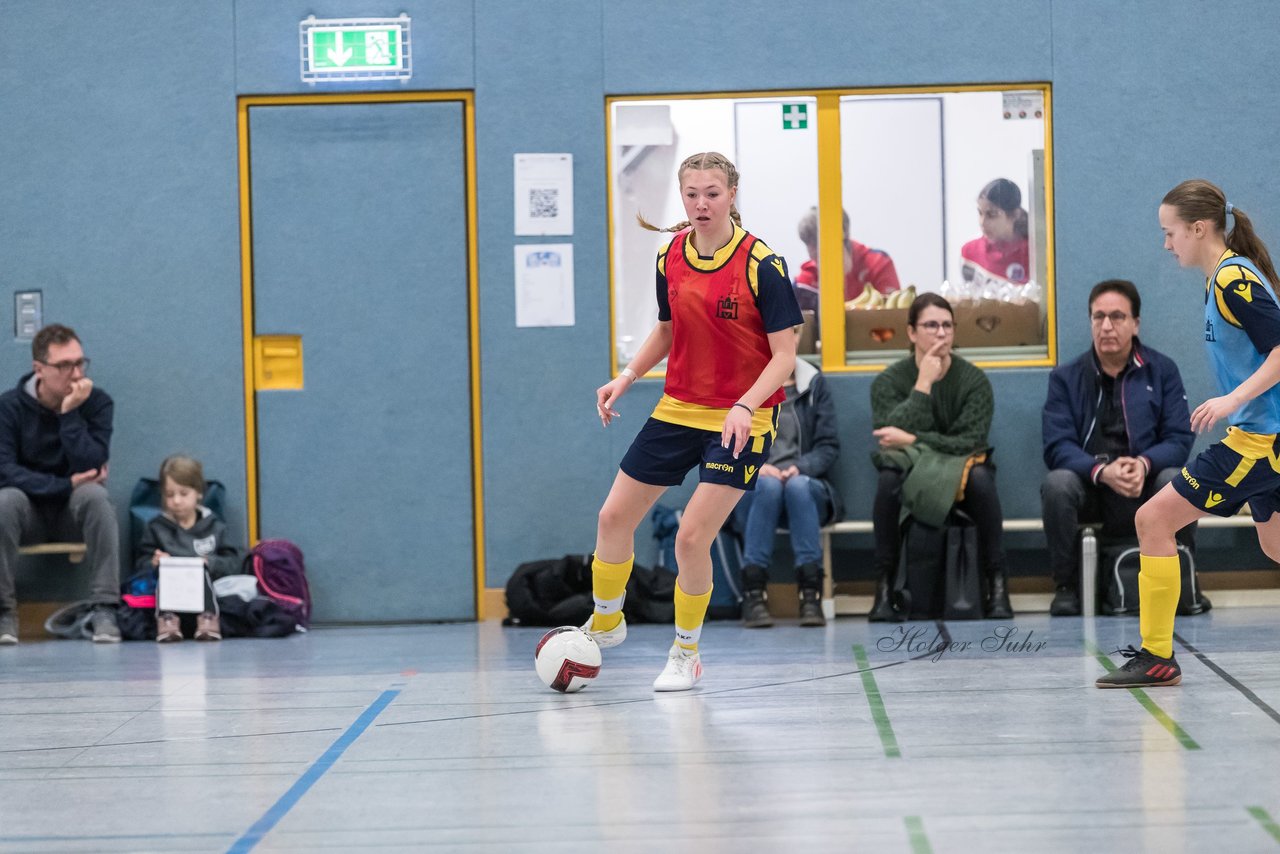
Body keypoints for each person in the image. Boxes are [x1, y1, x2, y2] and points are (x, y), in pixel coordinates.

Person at [584, 151, 802, 691]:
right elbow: (665, 330)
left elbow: (784, 357)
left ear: (732, 194)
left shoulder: (762, 265)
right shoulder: (671, 256)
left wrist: (746, 405)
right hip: (679, 407)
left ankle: (686, 652)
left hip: (743, 419)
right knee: (613, 520)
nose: (701, 203)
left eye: (712, 193)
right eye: (692, 194)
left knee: (689, 539)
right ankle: (607, 621)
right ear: (682, 198)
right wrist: (627, 376)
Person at [1098, 180, 1280, 688]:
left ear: (1199, 229)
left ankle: (1157, 656)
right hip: (1266, 440)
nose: (1166, 243)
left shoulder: (1233, 280)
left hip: (1259, 443)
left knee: (1153, 519)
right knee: (1275, 546)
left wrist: (1232, 399)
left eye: (1170, 232)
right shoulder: (1219, 279)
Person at [1042, 280, 1196, 616]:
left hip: (1146, 483)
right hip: (1091, 485)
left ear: (1135, 323)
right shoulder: (1066, 377)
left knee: (1177, 478)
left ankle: (1183, 579)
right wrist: (1101, 472)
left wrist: (1143, 464)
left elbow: (1179, 439)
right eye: (1098, 317)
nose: (1106, 326)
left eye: (1117, 316)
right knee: (1057, 485)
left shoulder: (1163, 370)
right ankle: (1066, 586)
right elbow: (1056, 445)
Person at [867, 293, 1012, 621]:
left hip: (960, 465)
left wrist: (915, 439)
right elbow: (887, 435)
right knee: (889, 478)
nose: (941, 333)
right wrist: (922, 385)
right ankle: (884, 587)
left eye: (947, 325)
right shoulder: (888, 382)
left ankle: (998, 584)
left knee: (981, 479)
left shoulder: (974, 380)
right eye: (931, 325)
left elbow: (970, 441)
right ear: (912, 333)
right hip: (910, 466)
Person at [0, 324, 119, 644]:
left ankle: (106, 609)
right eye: (64, 365)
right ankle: (4, 614)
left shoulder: (97, 403)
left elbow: (91, 467)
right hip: (28, 515)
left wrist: (69, 415)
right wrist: (64, 484)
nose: (76, 373)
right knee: (5, 500)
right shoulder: (8, 407)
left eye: (80, 363)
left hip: (72, 515)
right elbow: (5, 471)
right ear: (39, 369)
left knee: (95, 495)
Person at [732, 346, 842, 628]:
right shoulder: (745, 383)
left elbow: (828, 447)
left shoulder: (814, 382)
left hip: (805, 488)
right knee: (767, 485)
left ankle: (810, 594)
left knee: (797, 487)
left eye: (791, 332)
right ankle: (754, 595)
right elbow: (729, 442)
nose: (783, 339)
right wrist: (757, 467)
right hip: (758, 490)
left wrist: (801, 468)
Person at [135, 455, 241, 642]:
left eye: (183, 494)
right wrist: (153, 561)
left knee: (200, 572)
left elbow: (233, 562)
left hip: (207, 590)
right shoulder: (155, 528)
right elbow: (140, 562)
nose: (176, 501)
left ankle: (208, 618)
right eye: (170, 495)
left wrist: (211, 563)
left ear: (198, 493)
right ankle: (167, 620)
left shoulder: (215, 526)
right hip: (171, 592)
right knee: (167, 575)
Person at [792, 206, 900, 312]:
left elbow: (892, 317)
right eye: (807, 244)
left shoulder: (878, 263)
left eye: (816, 243)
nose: (812, 252)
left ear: (842, 237)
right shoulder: (805, 281)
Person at [960, 178, 1030, 286]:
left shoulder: (1032, 254)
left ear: (1015, 215)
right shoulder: (969, 253)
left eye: (992, 214)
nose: (982, 222)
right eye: (980, 213)